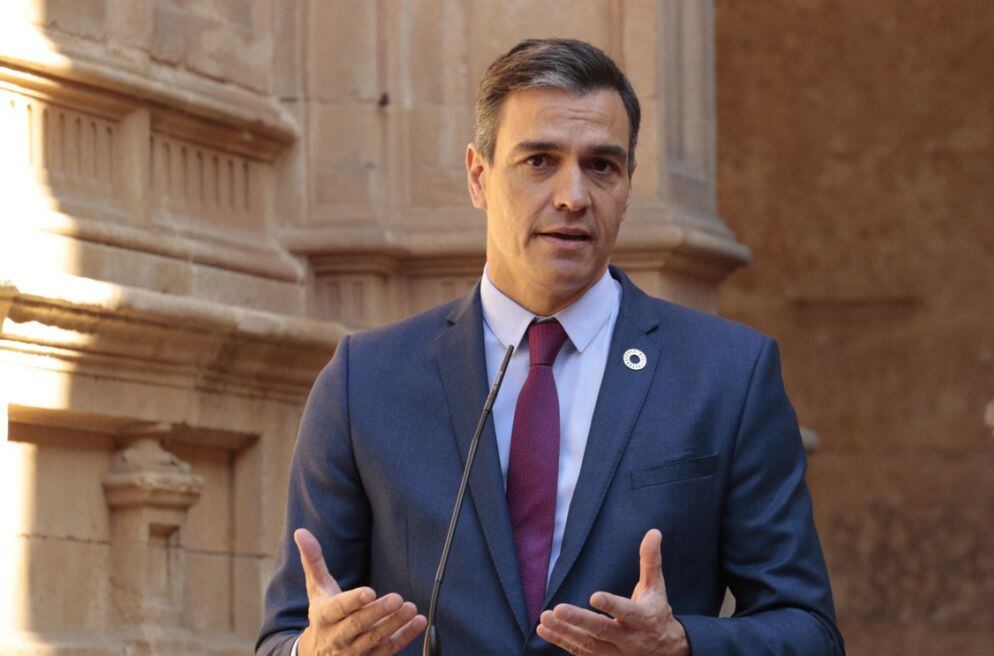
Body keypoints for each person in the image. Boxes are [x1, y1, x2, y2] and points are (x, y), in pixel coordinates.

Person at [256, 38, 844, 656]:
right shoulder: (365, 381)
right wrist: (313, 652)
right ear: (479, 177)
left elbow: (810, 632)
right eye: (539, 161)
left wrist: (682, 645)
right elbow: (284, 634)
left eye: (602, 166)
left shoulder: (728, 374)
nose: (573, 196)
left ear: (628, 186)